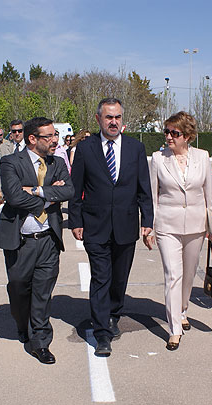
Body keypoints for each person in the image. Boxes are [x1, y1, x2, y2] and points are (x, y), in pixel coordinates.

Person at [68, 97, 154, 356]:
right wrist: (76, 220)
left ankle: (114, 312)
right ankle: (102, 332)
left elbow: (144, 188)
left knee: (119, 278)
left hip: (126, 225)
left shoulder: (135, 148)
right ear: (98, 119)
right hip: (96, 225)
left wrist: (147, 221)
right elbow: (76, 189)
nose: (113, 122)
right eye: (108, 117)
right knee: (101, 278)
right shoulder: (86, 149)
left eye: (117, 117)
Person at [0, 117, 74, 364]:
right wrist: (50, 196)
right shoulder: (11, 162)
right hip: (21, 241)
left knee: (43, 293)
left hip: (48, 239)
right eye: (49, 136)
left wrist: (37, 190)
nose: (55, 141)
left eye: (55, 136)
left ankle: (40, 342)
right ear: (33, 139)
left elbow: (69, 191)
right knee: (19, 288)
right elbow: (13, 196)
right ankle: (23, 323)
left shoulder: (58, 162)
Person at [147, 111, 212, 350]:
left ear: (187, 136)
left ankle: (183, 309)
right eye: (166, 131)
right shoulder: (158, 159)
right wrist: (149, 228)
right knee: (172, 275)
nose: (168, 136)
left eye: (174, 133)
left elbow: (210, 194)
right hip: (167, 225)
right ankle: (174, 329)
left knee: (188, 275)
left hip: (196, 226)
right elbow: (153, 197)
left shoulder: (203, 157)